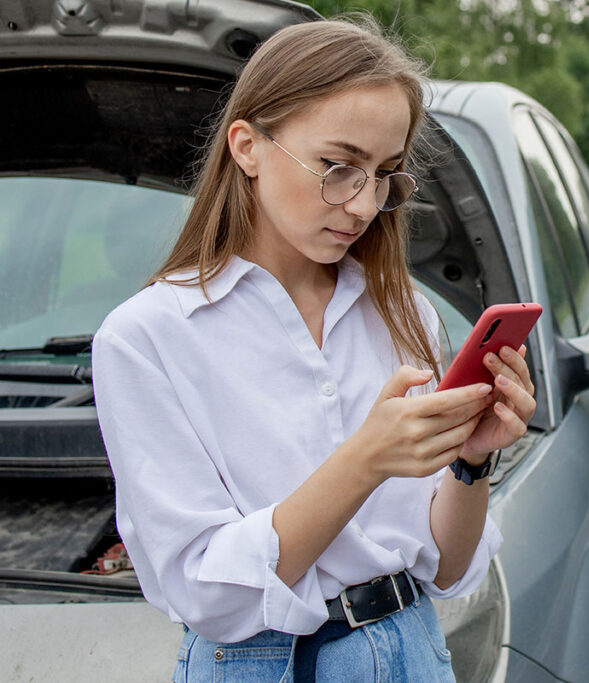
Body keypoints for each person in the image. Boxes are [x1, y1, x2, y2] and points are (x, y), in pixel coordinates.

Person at [91, 16, 535, 683]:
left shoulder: (407, 315)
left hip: (406, 650)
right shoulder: (147, 337)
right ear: (246, 145)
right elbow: (203, 587)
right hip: (249, 665)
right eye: (338, 166)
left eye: (384, 174)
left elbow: (444, 568)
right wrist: (364, 460)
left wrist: (473, 461)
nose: (362, 205)